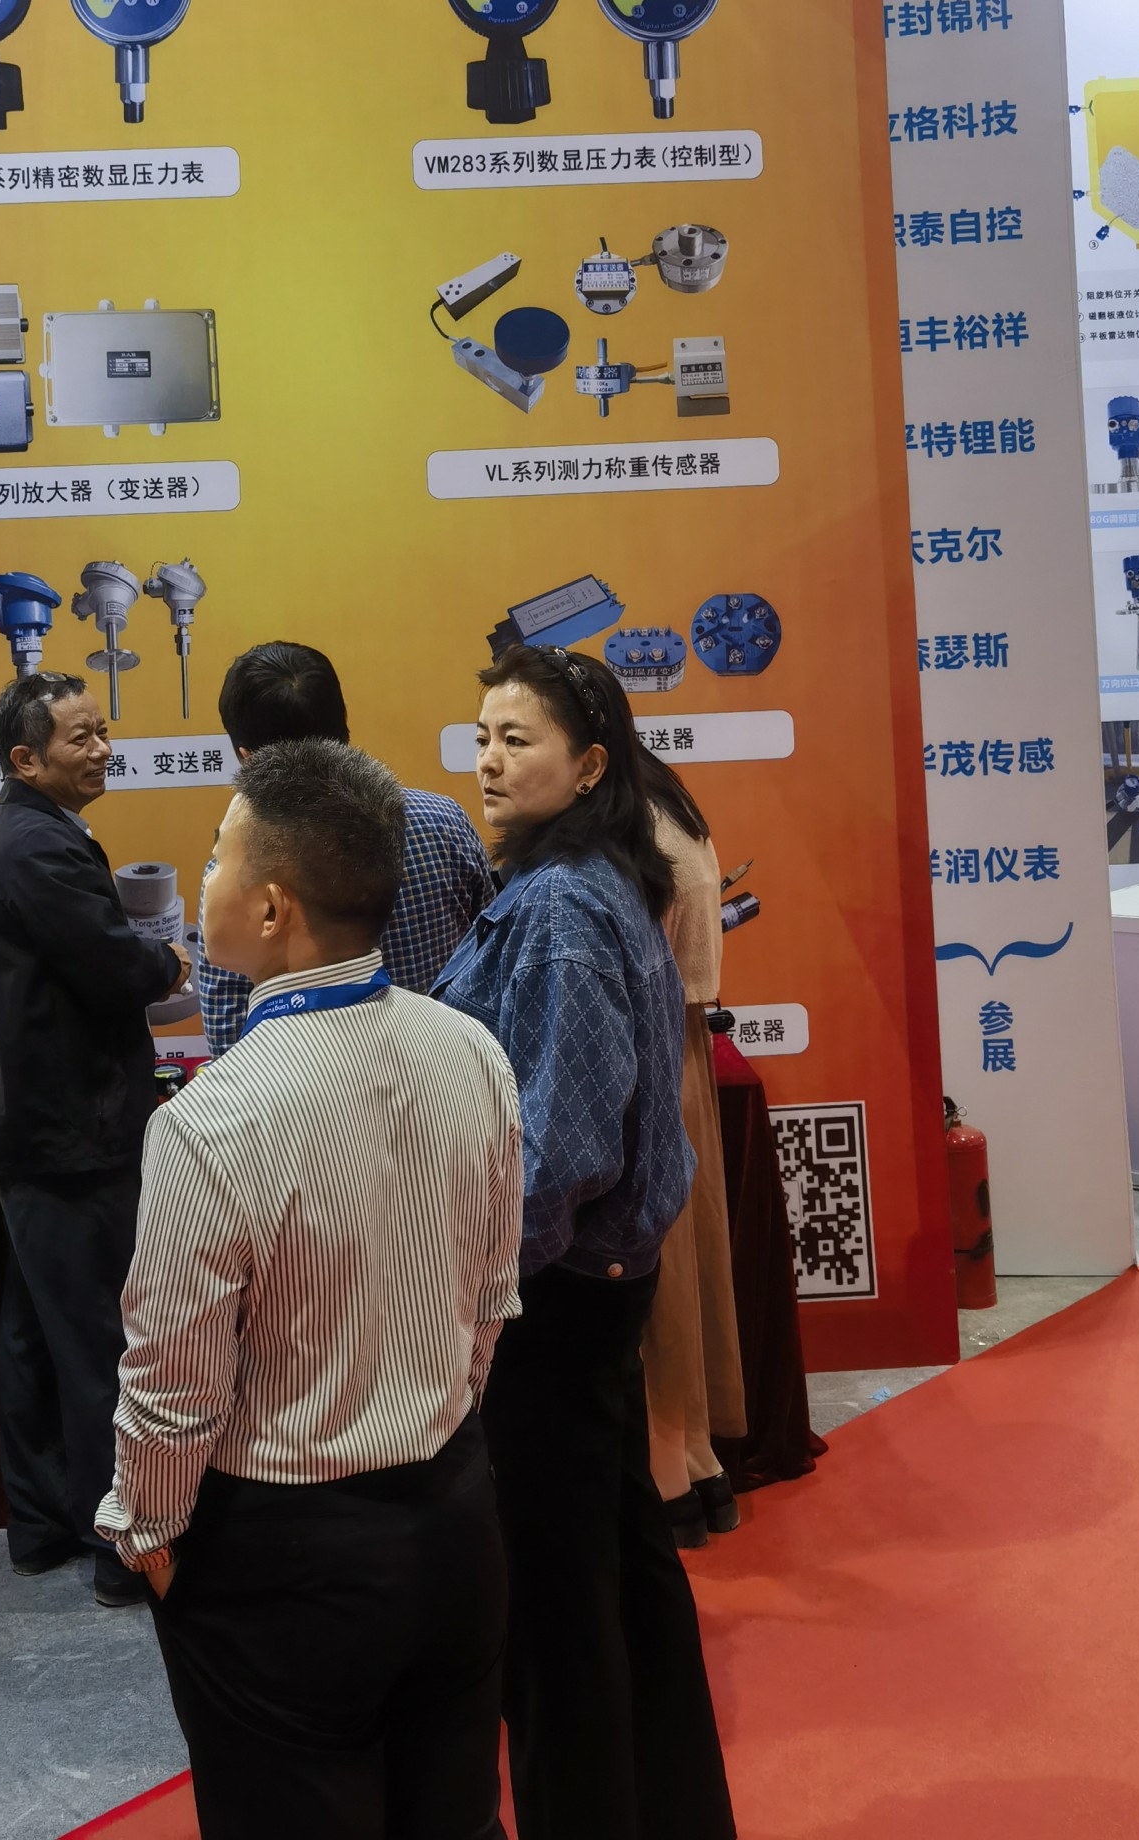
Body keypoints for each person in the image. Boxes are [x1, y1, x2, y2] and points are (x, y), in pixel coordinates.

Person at [97, 740, 523, 1840]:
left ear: (272, 906)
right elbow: (489, 1303)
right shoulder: (472, 1052)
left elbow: (172, 1386)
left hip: (283, 1557)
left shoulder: (210, 1120)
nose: (201, 880)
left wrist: (148, 1534)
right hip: (456, 1514)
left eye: (216, 855)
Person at [436, 644, 735, 1840]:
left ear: (592, 763)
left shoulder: (562, 904)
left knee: (556, 1612)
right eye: (484, 736)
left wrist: (479, 1299)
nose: (489, 761)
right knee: (618, 1568)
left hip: (550, 1293)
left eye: (518, 740)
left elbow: (561, 1149)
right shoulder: (586, 880)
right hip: (591, 1284)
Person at [0, 668, 190, 1605]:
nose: (102, 750)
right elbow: (110, 963)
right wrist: (168, 960)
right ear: (25, 758)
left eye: (102, 731)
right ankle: (121, 1551)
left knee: (38, 1334)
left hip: (39, 1131)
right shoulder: (38, 845)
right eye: (81, 738)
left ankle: (44, 1525)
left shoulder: (27, 831)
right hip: (66, 1135)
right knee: (96, 1343)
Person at [193, 641, 491, 1055]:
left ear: (248, 758)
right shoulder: (444, 821)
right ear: (342, 728)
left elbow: (229, 1037)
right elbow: (490, 954)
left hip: (306, 1089)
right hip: (452, 1071)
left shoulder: (238, 872)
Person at [634, 748, 747, 1549]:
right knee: (678, 1261)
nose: (492, 760)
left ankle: (671, 1468)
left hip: (640, 1052)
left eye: (516, 738)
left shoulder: (617, 825)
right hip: (677, 1048)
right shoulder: (666, 804)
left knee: (657, 1275)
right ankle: (694, 1460)